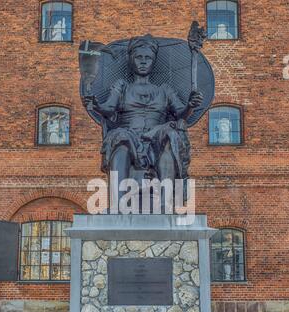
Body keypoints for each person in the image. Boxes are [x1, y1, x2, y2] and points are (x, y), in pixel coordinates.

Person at [83, 34, 203, 198]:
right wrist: (96, 105)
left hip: (157, 136)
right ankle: (118, 203)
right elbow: (109, 109)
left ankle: (165, 204)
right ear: (131, 59)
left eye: (148, 57)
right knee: (118, 138)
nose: (143, 61)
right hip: (129, 133)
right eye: (139, 57)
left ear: (154, 61)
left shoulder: (165, 90)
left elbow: (181, 114)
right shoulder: (122, 86)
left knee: (171, 135)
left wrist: (190, 105)